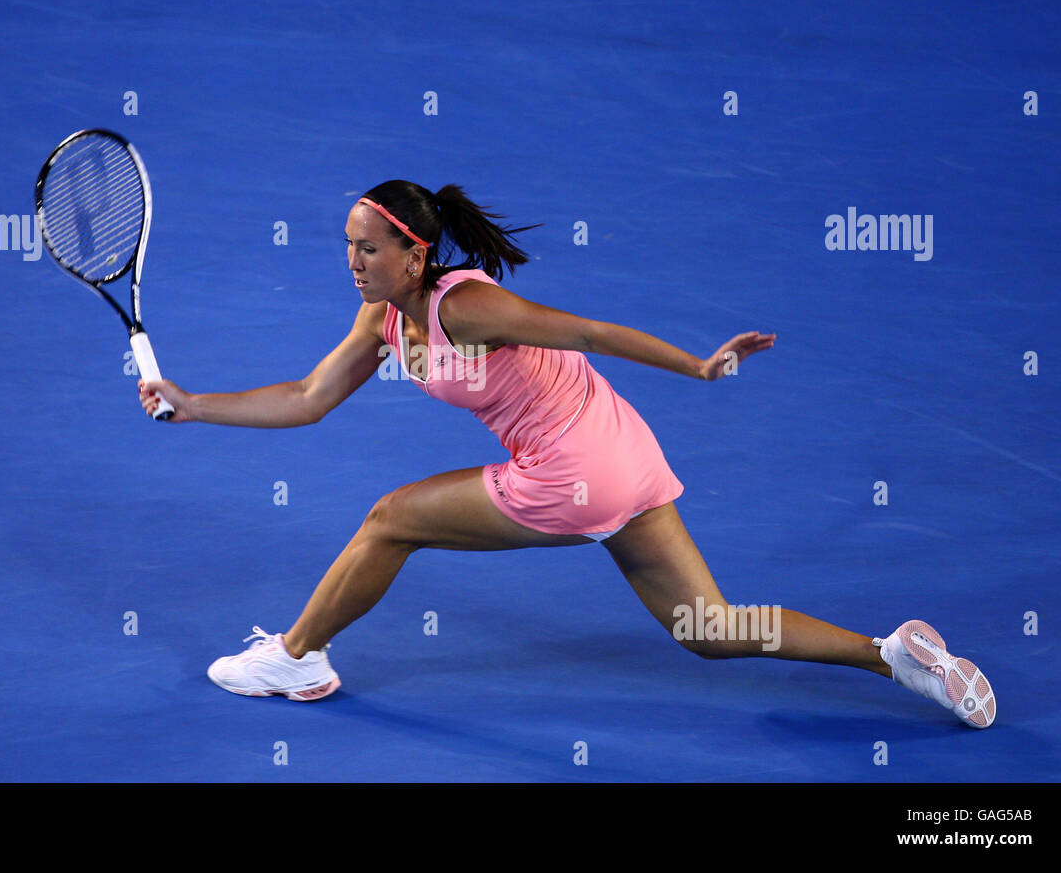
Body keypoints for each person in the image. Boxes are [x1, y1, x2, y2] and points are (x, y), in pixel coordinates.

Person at [138, 180, 996, 728]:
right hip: (620, 450)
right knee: (710, 627)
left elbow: (584, 328)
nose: (354, 262)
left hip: (571, 471)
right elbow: (308, 397)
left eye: (370, 248)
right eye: (349, 246)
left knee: (389, 519)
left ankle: (296, 657)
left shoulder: (462, 305)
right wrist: (191, 402)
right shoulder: (381, 319)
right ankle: (893, 653)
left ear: (415, 252)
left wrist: (697, 364)